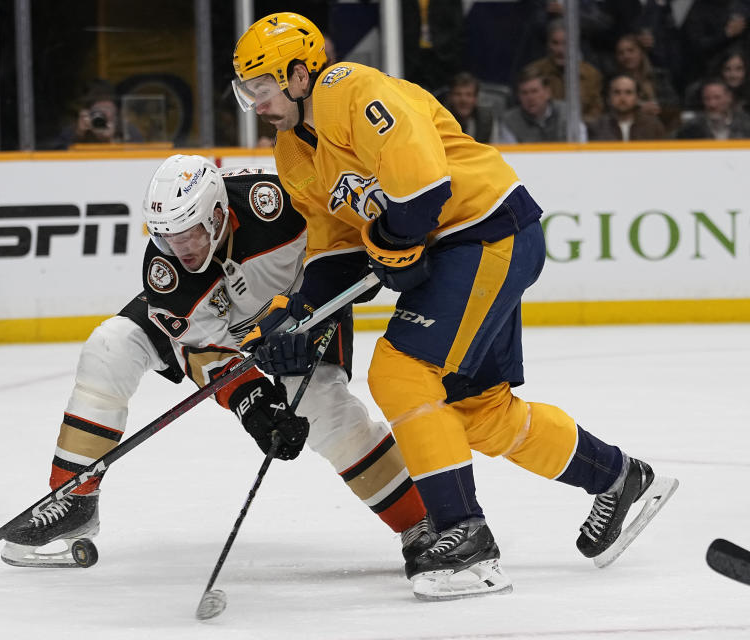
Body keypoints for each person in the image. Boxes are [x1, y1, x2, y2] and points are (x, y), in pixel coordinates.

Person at [232, 12, 678, 601]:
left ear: (297, 73)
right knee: (478, 410)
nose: (256, 102)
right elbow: (337, 249)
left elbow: (421, 185)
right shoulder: (292, 154)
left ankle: (465, 542)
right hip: (453, 252)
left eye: (262, 87)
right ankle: (620, 479)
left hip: (484, 231)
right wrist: (295, 314)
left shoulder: (348, 88)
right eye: (247, 92)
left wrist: (392, 244)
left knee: (401, 373)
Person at [0, 156, 435, 583]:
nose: (182, 250)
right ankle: (73, 497)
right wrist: (252, 403)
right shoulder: (167, 268)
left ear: (216, 216)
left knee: (326, 410)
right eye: (168, 238)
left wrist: (346, 281)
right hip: (214, 324)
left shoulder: (276, 203)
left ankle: (420, 524)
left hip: (298, 316)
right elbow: (201, 349)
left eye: (189, 235)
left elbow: (345, 235)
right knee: (110, 346)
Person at [524, 19, 605, 123]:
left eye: (565, 43)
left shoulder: (592, 74)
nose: (560, 50)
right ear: (548, 45)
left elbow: (596, 112)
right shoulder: (534, 72)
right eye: (555, 43)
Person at [611, 33, 681, 133]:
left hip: (663, 127)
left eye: (631, 51)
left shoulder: (660, 75)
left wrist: (654, 106)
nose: (626, 56)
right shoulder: (614, 81)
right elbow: (609, 108)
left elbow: (674, 102)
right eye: (621, 53)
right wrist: (638, 108)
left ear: (641, 52)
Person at [497, 68, 585, 143]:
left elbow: (580, 148)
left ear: (547, 92)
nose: (530, 98)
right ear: (518, 96)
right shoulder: (509, 121)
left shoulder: (568, 113)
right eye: (524, 93)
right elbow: (510, 156)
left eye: (534, 91)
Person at [588, 74, 666, 141]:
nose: (622, 98)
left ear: (637, 98)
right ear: (608, 98)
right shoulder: (597, 127)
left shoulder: (652, 126)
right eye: (617, 92)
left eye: (628, 92)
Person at [677, 77, 750, 139]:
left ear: (729, 97)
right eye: (707, 99)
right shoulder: (691, 127)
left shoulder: (746, 124)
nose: (712, 104)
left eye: (717, 98)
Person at [444, 72, 496, 143]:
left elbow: (494, 147)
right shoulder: (441, 118)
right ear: (450, 97)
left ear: (476, 98)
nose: (463, 100)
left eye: (469, 95)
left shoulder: (486, 119)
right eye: (458, 94)